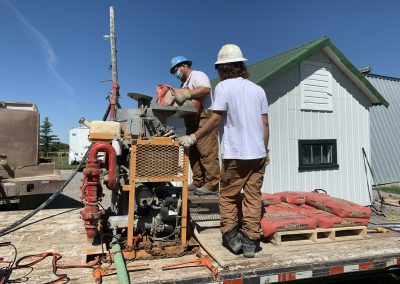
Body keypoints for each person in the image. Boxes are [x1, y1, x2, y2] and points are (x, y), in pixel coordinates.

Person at [178, 44, 270, 258]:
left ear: (222, 68)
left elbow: (216, 117)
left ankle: (231, 236)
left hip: (236, 154)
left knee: (228, 197)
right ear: (241, 65)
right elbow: (264, 124)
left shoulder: (223, 87)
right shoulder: (258, 90)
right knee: (253, 197)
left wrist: (194, 136)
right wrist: (265, 150)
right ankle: (250, 241)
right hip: (258, 154)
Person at [169, 56, 220, 196]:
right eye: (173, 71)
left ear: (184, 66)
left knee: (207, 151)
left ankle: (212, 184)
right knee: (193, 153)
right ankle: (198, 181)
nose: (175, 73)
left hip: (204, 117)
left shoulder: (197, 75)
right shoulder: (183, 84)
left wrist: (186, 94)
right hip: (191, 120)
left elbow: (205, 89)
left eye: (176, 70)